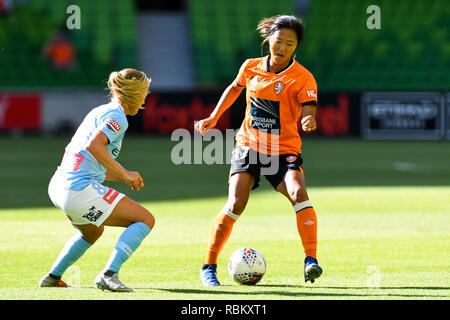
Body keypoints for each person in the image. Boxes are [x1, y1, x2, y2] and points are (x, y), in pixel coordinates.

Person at [195, 15, 323, 286]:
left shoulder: (303, 77)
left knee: (299, 193)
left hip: (284, 149)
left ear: (296, 47)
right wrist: (214, 117)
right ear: (268, 40)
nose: (283, 47)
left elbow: (309, 105)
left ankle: (311, 259)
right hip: (249, 146)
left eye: (290, 43)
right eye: (278, 41)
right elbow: (233, 88)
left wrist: (308, 118)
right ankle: (208, 266)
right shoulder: (250, 67)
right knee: (235, 204)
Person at [39, 68, 154, 292]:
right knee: (145, 219)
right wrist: (124, 173)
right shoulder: (118, 116)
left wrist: (122, 176)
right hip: (78, 190)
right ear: (134, 93)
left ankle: (53, 277)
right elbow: (94, 146)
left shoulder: (100, 111)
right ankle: (109, 274)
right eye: (144, 93)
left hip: (60, 185)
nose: (144, 99)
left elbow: (86, 158)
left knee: (92, 232)